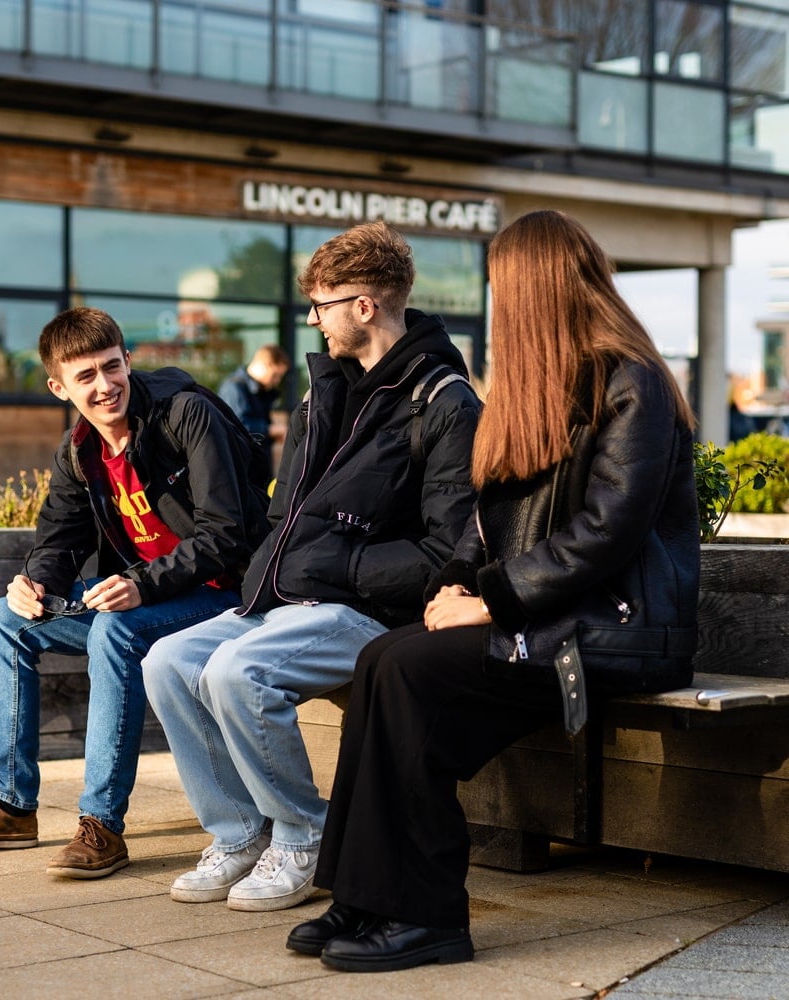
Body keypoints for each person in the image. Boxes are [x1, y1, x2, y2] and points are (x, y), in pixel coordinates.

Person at [288, 209, 701, 972]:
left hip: (616, 630)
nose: (495, 304)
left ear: (535, 287)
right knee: (383, 659)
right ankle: (363, 890)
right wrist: (453, 584)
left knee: (408, 675)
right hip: (552, 618)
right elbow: (488, 519)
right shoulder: (544, 385)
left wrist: (493, 599)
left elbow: (605, 532)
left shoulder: (630, 382)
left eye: (501, 288)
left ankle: (426, 915)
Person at [142, 220, 481, 913]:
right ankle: (239, 831)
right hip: (288, 599)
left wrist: (339, 564)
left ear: (365, 306)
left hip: (370, 615)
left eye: (322, 305)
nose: (312, 320)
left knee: (239, 672)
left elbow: (448, 553)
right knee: (167, 662)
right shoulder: (321, 393)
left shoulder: (444, 402)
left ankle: (305, 834)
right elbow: (284, 515)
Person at [0, 306, 269, 879]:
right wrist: (36, 585)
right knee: (1, 619)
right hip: (147, 597)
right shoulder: (79, 450)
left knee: (116, 628)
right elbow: (57, 540)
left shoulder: (187, 414)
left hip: (225, 596)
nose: (105, 386)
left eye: (112, 368)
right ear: (59, 386)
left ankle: (102, 824)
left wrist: (139, 583)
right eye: (86, 377)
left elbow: (226, 535)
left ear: (129, 360)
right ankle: (11, 804)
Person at [218, 344, 292, 464]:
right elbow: (237, 427)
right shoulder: (233, 388)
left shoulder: (261, 391)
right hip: (242, 465)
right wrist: (270, 430)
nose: (277, 381)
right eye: (275, 375)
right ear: (263, 366)